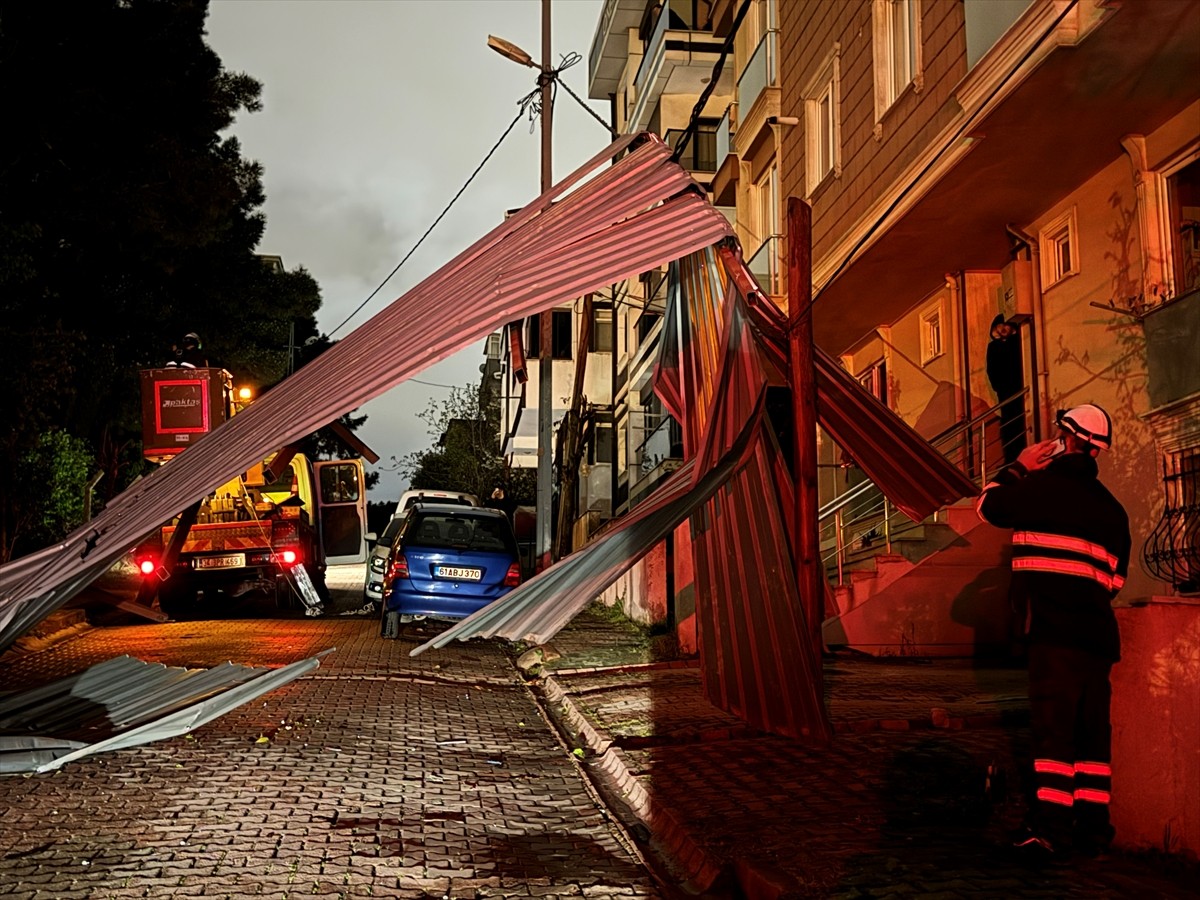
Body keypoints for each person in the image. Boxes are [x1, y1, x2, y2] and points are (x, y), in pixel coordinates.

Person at [977, 403, 1131, 862]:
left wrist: (1018, 467)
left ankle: (1048, 829)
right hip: (1098, 639)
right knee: (1090, 740)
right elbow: (1115, 582)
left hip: (1054, 636)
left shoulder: (1039, 489)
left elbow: (989, 506)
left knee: (1053, 738)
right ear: (1097, 451)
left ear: (1066, 439)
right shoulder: (1113, 511)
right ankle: (1094, 834)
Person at [986, 314, 1026, 464]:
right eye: (998, 328)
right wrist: (998, 387)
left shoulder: (1018, 341)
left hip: (1019, 387)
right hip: (1005, 391)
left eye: (1003, 325)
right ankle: (1011, 458)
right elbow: (991, 369)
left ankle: (1019, 454)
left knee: (1019, 420)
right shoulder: (994, 347)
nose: (1001, 329)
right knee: (1008, 423)